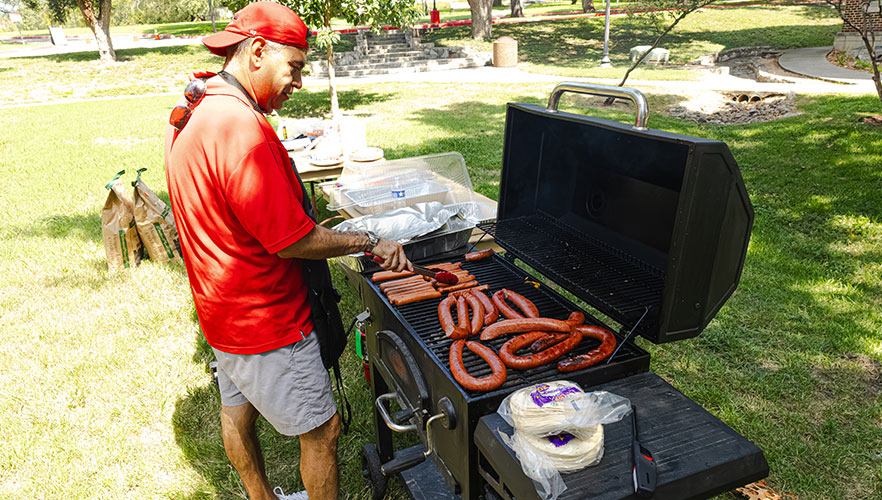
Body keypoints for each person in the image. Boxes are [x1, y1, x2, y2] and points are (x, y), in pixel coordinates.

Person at [163, 3, 412, 500]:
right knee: (322, 431)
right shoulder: (240, 130)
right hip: (268, 319)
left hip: (220, 311)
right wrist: (369, 240)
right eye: (294, 67)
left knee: (237, 411)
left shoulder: (196, 107)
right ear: (258, 51)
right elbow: (294, 239)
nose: (298, 81)